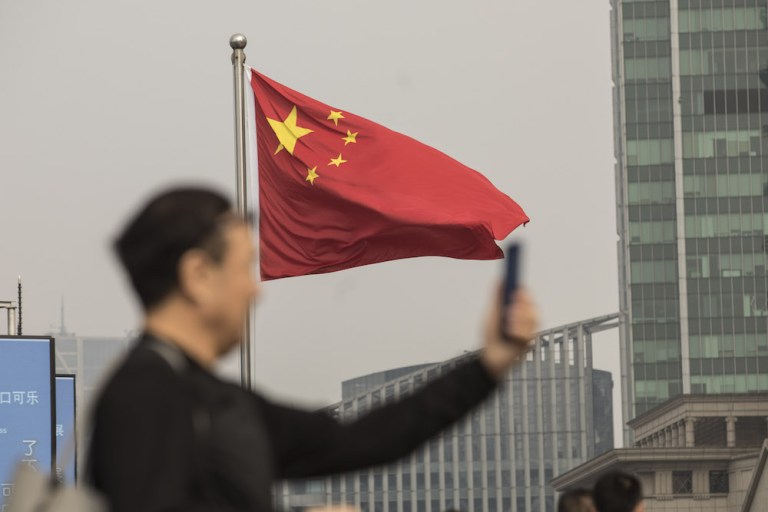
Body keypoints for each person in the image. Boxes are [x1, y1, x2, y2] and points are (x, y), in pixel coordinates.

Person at [87, 187, 539, 512]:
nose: (255, 291)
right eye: (244, 267)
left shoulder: (218, 402)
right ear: (198, 275)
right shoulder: (144, 392)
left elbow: (359, 440)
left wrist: (487, 367)